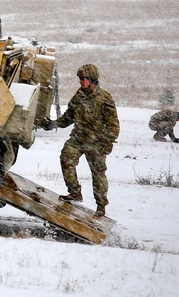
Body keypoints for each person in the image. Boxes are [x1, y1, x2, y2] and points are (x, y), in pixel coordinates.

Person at [40, 64, 120, 217]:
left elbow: (114, 125)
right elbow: (68, 116)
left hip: (97, 142)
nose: (81, 82)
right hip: (78, 139)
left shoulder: (105, 98)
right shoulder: (79, 95)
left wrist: (107, 142)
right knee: (66, 158)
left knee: (98, 174)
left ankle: (101, 206)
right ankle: (75, 192)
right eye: (80, 79)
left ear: (93, 80)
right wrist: (54, 123)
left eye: (84, 79)